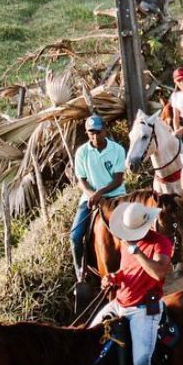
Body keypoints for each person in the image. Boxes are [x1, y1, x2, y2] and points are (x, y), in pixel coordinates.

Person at [97, 201, 174, 365]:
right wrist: (114, 277)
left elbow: (159, 272)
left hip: (144, 308)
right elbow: (127, 272)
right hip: (119, 302)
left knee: (141, 362)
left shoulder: (161, 243)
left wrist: (138, 252)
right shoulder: (125, 243)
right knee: (88, 334)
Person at [70, 114, 127, 279]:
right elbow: (81, 180)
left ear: (105, 130)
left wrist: (101, 193)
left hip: (116, 195)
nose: (95, 136)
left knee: (135, 225)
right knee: (75, 236)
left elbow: (118, 179)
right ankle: (80, 272)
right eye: (91, 133)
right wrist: (92, 196)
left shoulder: (117, 149)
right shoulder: (82, 152)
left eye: (98, 132)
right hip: (89, 198)